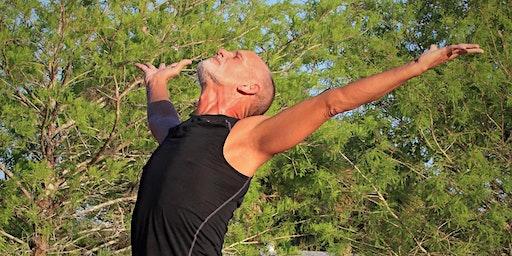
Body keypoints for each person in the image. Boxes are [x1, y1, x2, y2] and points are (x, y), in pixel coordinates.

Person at [131, 44, 483, 255]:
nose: (223, 51)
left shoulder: (245, 137)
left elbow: (333, 101)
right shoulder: (179, 135)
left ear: (250, 87)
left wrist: (418, 66)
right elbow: (161, 116)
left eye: (236, 56)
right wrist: (157, 82)